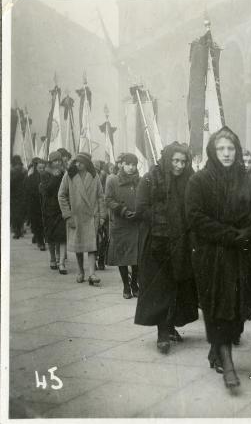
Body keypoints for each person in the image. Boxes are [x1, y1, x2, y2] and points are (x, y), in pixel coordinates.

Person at [186, 126, 251, 390]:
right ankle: (228, 364)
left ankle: (216, 349)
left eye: (231, 149)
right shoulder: (200, 180)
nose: (227, 154)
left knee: (238, 310)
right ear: (212, 151)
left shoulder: (247, 180)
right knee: (220, 308)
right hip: (212, 255)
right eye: (221, 149)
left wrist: (247, 235)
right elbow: (195, 218)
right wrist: (230, 235)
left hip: (240, 255)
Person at [134, 142, 198, 354]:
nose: (179, 165)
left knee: (178, 287)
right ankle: (162, 332)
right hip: (157, 243)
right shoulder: (151, 179)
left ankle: (170, 327)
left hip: (182, 244)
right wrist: (166, 218)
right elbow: (140, 208)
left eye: (183, 161)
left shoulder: (190, 180)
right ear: (167, 160)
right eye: (175, 161)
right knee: (160, 287)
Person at [58, 152, 107, 285]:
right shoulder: (69, 175)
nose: (77, 164)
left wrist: (102, 216)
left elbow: (100, 197)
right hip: (75, 217)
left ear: (87, 164)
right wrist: (68, 215)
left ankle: (92, 273)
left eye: (81, 162)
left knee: (92, 246)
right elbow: (61, 195)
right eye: (76, 162)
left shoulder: (94, 176)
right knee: (79, 246)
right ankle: (81, 271)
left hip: (91, 216)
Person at [105, 153, 141, 299]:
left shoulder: (140, 180)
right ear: (122, 164)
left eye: (134, 164)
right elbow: (108, 199)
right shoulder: (112, 180)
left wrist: (140, 212)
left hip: (136, 223)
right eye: (128, 164)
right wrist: (122, 210)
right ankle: (126, 285)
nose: (131, 167)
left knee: (136, 256)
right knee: (122, 257)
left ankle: (134, 285)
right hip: (121, 224)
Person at [40, 152, 68, 273]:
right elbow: (46, 190)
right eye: (55, 161)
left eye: (59, 160)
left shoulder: (63, 173)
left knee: (62, 237)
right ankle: (52, 259)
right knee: (51, 237)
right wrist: (55, 178)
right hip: (49, 209)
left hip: (61, 208)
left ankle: (61, 263)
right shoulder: (45, 174)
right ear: (51, 162)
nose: (58, 163)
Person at [25, 157, 46, 251]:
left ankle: (39, 239)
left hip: (43, 204)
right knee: (37, 223)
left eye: (43, 168)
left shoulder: (46, 176)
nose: (42, 170)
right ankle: (40, 242)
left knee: (42, 224)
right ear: (36, 168)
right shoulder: (31, 177)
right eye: (40, 168)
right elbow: (27, 189)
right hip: (34, 204)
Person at [10, 155, 27, 239]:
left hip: (13, 196)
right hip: (22, 195)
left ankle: (17, 231)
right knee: (21, 214)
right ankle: (20, 229)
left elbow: (10, 184)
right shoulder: (24, 171)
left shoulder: (11, 171)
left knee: (14, 214)